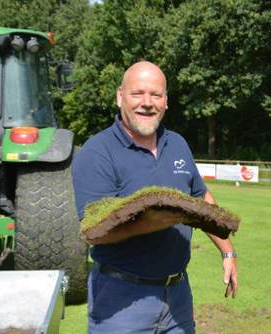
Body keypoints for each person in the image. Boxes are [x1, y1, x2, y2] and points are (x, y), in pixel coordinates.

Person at [72, 61, 238, 333]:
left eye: (156, 95)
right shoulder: (98, 151)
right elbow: (93, 232)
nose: (147, 103)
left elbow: (200, 195)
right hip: (121, 299)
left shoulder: (177, 143)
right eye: (137, 93)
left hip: (178, 294)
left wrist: (227, 251)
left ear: (166, 101)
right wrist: (156, 221)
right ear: (120, 97)